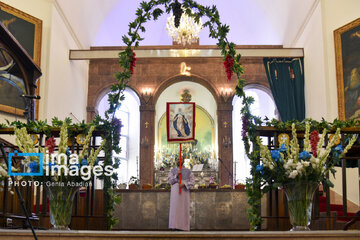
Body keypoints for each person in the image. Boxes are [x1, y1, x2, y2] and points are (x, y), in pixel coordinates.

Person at [168, 159, 195, 231]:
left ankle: (183, 226)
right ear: (176, 161)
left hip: (184, 191)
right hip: (175, 191)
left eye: (181, 159)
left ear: (183, 161)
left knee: (183, 208)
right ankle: (174, 226)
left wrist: (184, 184)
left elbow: (192, 182)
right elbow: (170, 181)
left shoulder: (188, 171)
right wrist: (176, 175)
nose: (179, 161)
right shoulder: (172, 171)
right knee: (175, 208)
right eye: (178, 159)